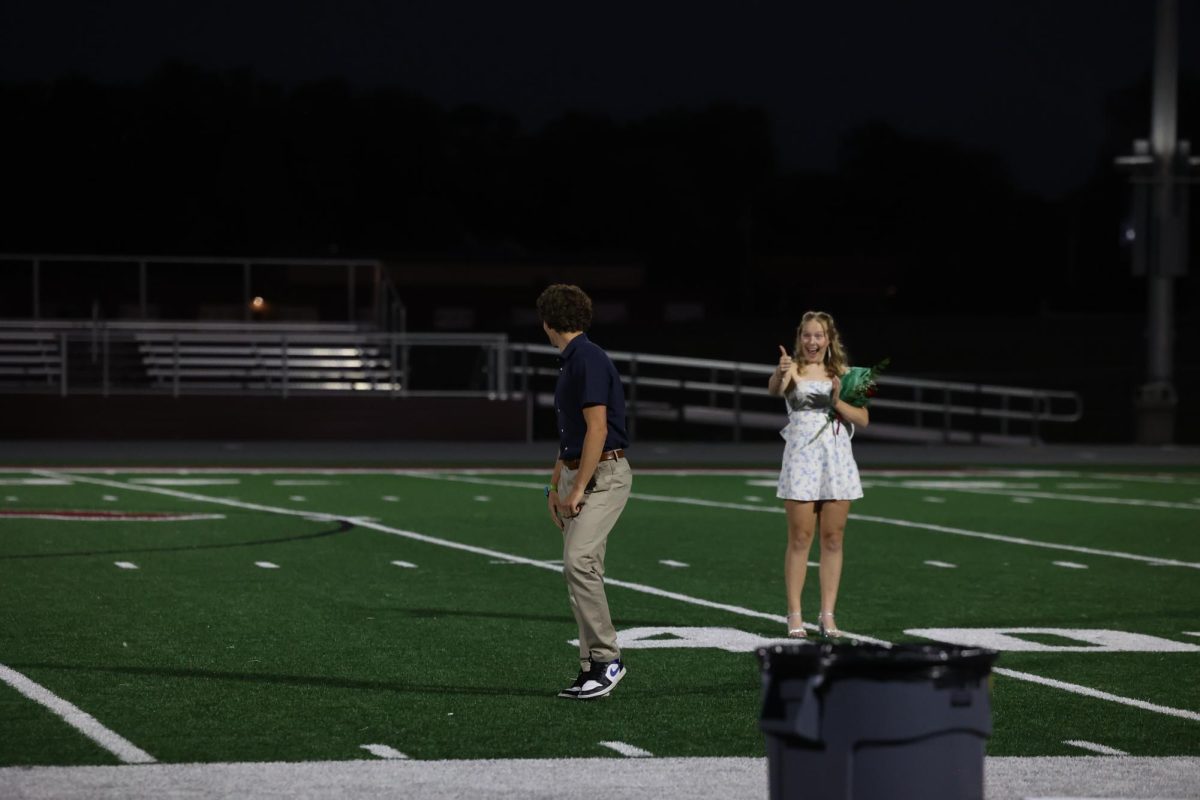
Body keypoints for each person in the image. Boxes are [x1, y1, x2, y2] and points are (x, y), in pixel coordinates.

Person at [537, 283, 633, 700]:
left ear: (548, 323)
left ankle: (608, 658)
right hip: (579, 472)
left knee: (579, 563)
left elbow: (597, 429)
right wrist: (554, 483)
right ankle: (591, 666)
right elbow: (571, 435)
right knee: (580, 572)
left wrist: (577, 488)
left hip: (604, 474)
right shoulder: (574, 359)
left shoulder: (587, 359)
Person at [767, 311, 868, 639]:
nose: (812, 342)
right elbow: (774, 390)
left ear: (829, 339)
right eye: (807, 335)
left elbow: (863, 418)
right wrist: (781, 373)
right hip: (802, 458)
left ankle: (827, 615)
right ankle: (794, 614)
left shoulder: (848, 374)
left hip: (836, 459)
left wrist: (838, 400)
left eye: (818, 336)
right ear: (800, 338)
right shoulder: (790, 369)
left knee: (834, 538)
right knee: (799, 539)